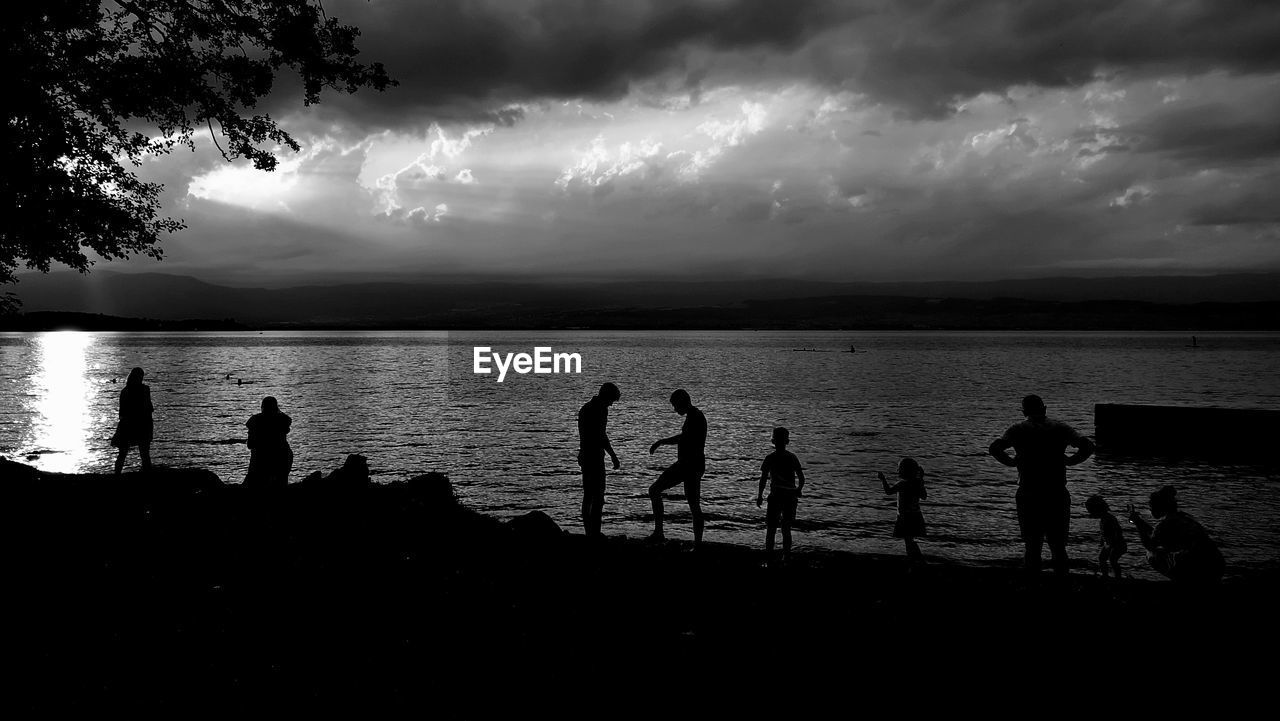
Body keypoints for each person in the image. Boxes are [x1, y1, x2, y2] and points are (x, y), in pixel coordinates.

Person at [989, 394, 1094, 577]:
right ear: (1044, 409)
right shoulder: (1060, 428)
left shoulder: (1018, 429)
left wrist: (1011, 462)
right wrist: (1071, 461)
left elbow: (995, 448)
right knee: (1058, 547)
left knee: (1032, 546)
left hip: (1029, 493)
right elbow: (1087, 446)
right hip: (1056, 492)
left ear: (1024, 412)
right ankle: (1062, 585)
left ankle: (1033, 584)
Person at [1127, 486, 1224, 584]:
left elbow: (1149, 545)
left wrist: (1137, 523)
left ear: (1159, 506)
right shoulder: (1185, 518)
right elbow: (1158, 535)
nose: (1150, 509)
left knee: (1151, 554)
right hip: (1217, 565)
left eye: (1151, 506)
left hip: (1199, 568)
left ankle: (1183, 580)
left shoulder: (1164, 525)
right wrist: (1139, 521)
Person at [648, 389, 707, 547]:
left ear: (682, 402)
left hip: (688, 466)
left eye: (675, 405)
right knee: (693, 504)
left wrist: (661, 442)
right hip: (691, 465)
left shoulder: (695, 417)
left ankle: (661, 533)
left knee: (655, 490)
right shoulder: (694, 416)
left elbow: (683, 439)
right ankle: (696, 543)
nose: (674, 409)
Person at [577, 382, 621, 538]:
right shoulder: (598, 410)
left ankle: (591, 531)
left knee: (590, 496)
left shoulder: (587, 408)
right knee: (596, 496)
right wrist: (613, 456)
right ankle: (593, 533)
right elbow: (601, 436)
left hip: (587, 456)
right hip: (593, 457)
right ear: (607, 397)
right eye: (611, 401)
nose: (611, 405)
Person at [757, 427, 806, 564]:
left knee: (771, 528)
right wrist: (798, 489)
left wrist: (760, 495)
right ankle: (786, 556)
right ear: (787, 441)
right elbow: (801, 478)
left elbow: (763, 479)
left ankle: (769, 556)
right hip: (790, 496)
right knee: (786, 528)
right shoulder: (792, 457)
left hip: (776, 495)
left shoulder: (770, 458)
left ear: (773, 441)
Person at [879, 457, 927, 562]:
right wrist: (921, 480)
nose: (898, 471)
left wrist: (883, 480)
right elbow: (924, 496)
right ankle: (916, 559)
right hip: (915, 516)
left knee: (908, 540)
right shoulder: (916, 483)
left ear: (904, 471)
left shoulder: (902, 484)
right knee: (909, 540)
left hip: (905, 517)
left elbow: (888, 491)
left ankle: (916, 560)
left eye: (899, 468)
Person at [112, 366, 154, 474]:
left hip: (128, 425)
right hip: (142, 424)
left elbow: (121, 413)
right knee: (144, 454)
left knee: (123, 453)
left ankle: (116, 475)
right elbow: (149, 409)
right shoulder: (145, 390)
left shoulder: (125, 391)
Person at [245, 396, 293, 490]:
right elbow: (286, 429)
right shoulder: (283, 419)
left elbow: (250, 444)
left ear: (262, 406)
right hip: (282, 457)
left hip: (263, 459)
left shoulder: (255, 420)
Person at [1084, 495, 1126, 579]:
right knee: (1102, 558)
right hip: (1109, 544)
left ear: (1097, 509)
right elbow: (1105, 533)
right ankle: (1106, 575)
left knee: (1112, 560)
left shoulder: (1109, 518)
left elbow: (1116, 532)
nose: (1090, 514)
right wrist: (1102, 541)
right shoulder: (1104, 519)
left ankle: (1117, 577)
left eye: (1091, 511)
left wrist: (1112, 543)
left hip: (1117, 544)